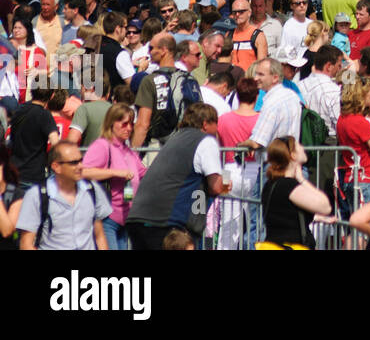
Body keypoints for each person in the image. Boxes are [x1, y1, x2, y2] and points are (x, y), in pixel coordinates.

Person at [125, 103, 229, 249]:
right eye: (215, 124)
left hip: (138, 218)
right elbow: (216, 187)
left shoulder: (176, 138)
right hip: (167, 223)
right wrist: (225, 181)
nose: (217, 130)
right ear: (205, 124)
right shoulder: (205, 141)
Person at [17, 140, 110, 250]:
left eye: (81, 160)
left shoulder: (92, 189)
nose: (81, 166)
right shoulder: (37, 195)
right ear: (56, 167)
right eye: (74, 162)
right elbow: (26, 245)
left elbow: (99, 236)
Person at [80, 103, 147, 250]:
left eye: (131, 124)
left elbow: (144, 173)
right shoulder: (102, 145)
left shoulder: (127, 150)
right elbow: (84, 172)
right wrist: (115, 172)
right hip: (107, 219)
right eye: (124, 124)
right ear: (112, 123)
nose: (128, 128)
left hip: (124, 219)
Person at [258, 136, 331, 250]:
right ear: (293, 155)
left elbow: (286, 214)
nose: (303, 147)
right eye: (299, 146)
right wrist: (301, 179)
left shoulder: (272, 183)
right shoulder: (289, 186)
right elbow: (325, 207)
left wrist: (316, 217)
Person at [336, 79, 370, 217]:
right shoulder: (360, 122)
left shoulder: (342, 119)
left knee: (356, 224)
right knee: (365, 227)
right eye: (369, 94)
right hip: (366, 177)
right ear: (361, 96)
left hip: (350, 176)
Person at [8, 87, 60, 196]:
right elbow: (55, 143)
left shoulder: (19, 110)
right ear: (52, 96)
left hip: (14, 173)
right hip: (34, 175)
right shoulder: (45, 115)